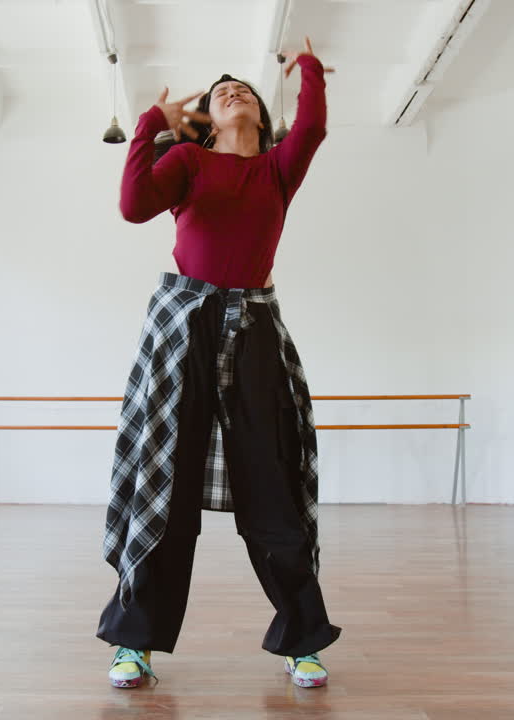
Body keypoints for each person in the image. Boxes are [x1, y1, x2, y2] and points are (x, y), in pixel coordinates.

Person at [98, 37, 340, 690]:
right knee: (165, 486)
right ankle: (134, 642)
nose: (231, 91)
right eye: (218, 92)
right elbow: (133, 205)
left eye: (244, 91)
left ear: (262, 117)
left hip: (255, 330)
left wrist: (308, 69)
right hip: (184, 330)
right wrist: (152, 125)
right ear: (205, 117)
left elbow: (313, 123)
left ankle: (303, 639)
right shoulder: (187, 163)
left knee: (272, 486)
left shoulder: (278, 170)